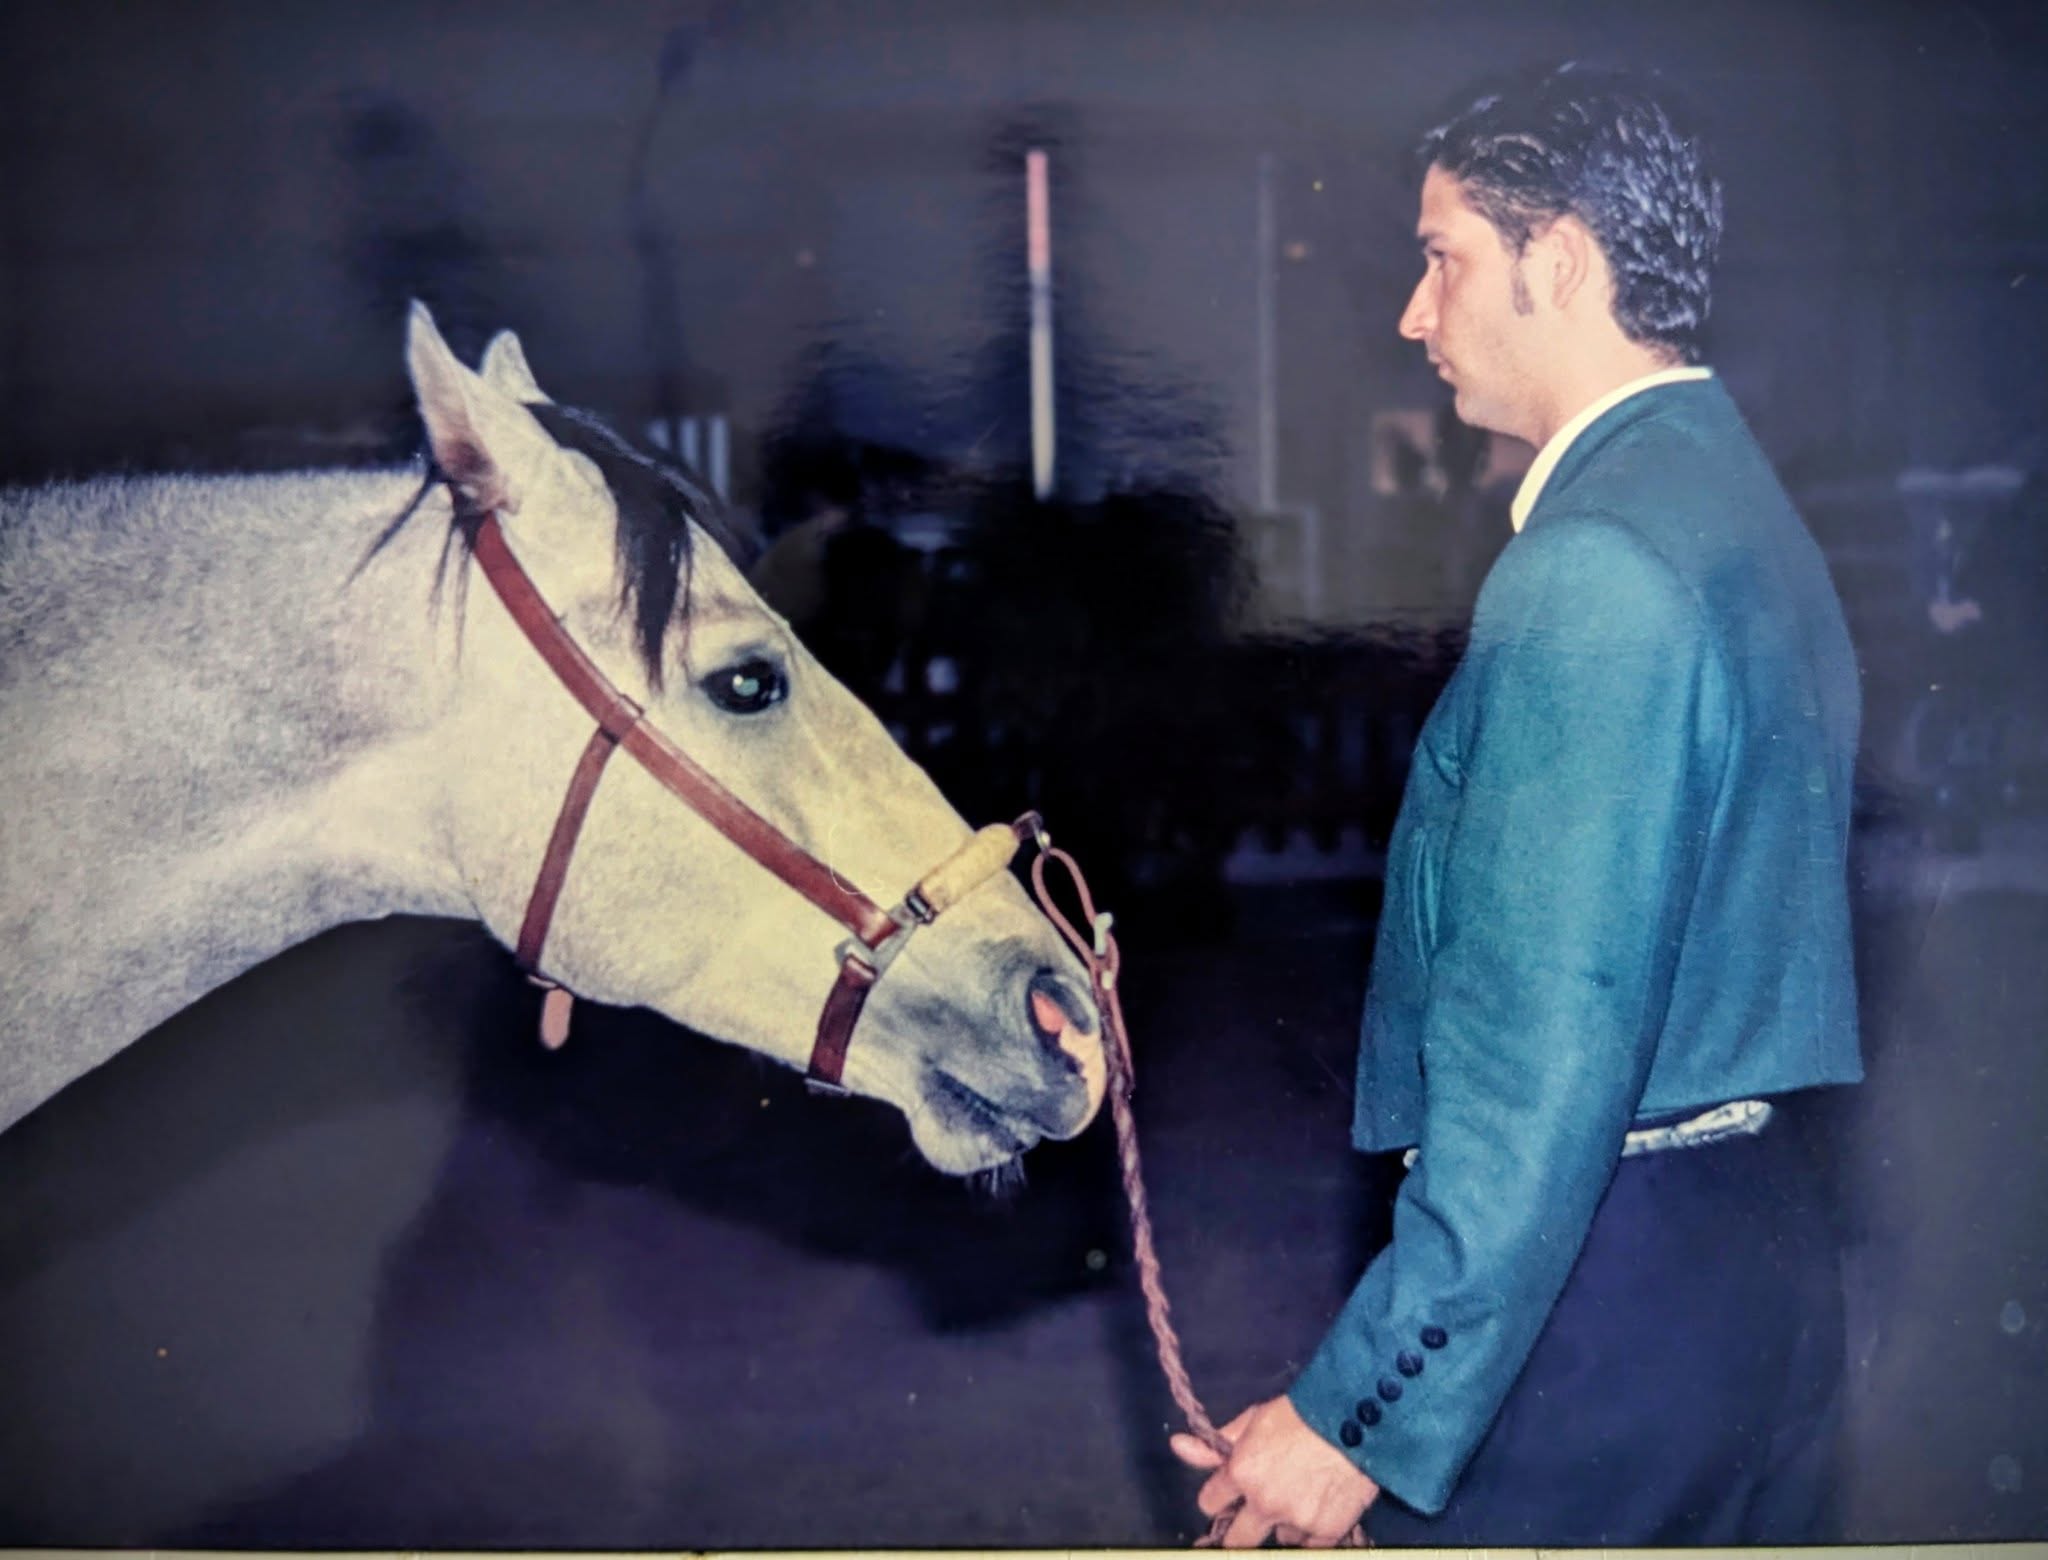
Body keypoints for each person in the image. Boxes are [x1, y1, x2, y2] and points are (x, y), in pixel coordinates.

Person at [1173, 64, 1862, 1546]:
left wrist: (1355, 1411)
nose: (1414, 316)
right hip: (1754, 1260)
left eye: (1442, 259)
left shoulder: (1592, 567)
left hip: (1597, 1304)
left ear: (1557, 260)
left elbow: (1539, 1059)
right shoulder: (1739, 514)